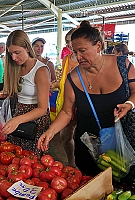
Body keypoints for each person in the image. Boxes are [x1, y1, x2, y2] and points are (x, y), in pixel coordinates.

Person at [37, 20, 135, 176]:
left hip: (124, 143)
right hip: (89, 147)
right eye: (75, 52)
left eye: (82, 51)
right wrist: (50, 131)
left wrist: (129, 104)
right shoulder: (73, 78)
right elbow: (67, 112)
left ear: (98, 47)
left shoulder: (123, 65)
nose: (78, 57)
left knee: (125, 185)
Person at [0, 30, 51, 156]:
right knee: (16, 156)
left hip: (35, 120)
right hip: (19, 113)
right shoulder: (16, 67)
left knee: (31, 160)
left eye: (17, 52)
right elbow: (20, 92)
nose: (14, 58)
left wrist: (17, 120)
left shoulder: (40, 70)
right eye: (11, 53)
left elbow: (43, 109)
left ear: (27, 48)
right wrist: (6, 93)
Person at [52, 28, 78, 167]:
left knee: (82, 137)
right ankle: (71, 162)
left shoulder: (85, 59)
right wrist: (56, 84)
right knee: (65, 137)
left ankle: (83, 165)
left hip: (82, 104)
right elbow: (65, 80)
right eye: (67, 42)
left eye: (72, 41)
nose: (70, 45)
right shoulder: (66, 60)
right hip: (67, 102)